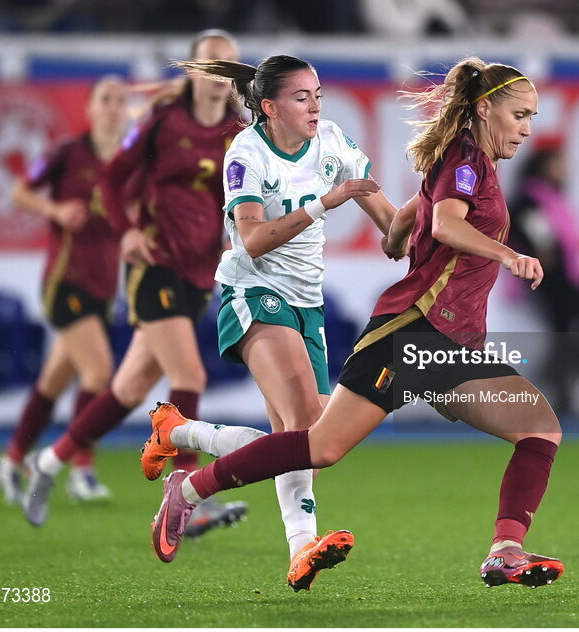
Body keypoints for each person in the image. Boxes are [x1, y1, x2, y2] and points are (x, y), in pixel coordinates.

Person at [142, 57, 566, 590]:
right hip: (408, 331)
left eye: (531, 116)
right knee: (317, 444)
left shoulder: (463, 160)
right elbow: (448, 221)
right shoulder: (464, 160)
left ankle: (506, 550)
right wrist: (507, 256)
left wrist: (397, 232)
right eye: (520, 114)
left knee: (539, 427)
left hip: (450, 344)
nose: (528, 127)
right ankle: (190, 491)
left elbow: (419, 209)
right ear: (485, 109)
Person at [140, 53, 404, 591]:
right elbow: (255, 241)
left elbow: (392, 229)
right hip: (253, 290)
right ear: (269, 106)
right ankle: (274, 530)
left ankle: (180, 432)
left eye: (318, 95)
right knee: (311, 421)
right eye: (301, 97)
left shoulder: (333, 142)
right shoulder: (247, 153)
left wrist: (430, 227)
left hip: (308, 303)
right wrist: (323, 204)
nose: (315, 107)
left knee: (299, 434)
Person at [22, 30, 247, 536]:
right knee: (189, 377)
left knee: (127, 391)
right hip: (155, 265)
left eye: (230, 65)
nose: (221, 74)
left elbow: (232, 197)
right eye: (212, 63)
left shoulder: (238, 131)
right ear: (192, 70)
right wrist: (125, 233)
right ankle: (187, 495)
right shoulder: (163, 122)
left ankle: (49, 463)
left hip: (197, 272)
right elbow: (109, 179)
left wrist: (233, 236)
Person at [0, 76, 128, 506]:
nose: (113, 107)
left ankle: (10, 462)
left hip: (104, 286)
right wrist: (55, 209)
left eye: (121, 100)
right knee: (100, 373)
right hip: (65, 281)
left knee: (53, 381)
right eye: (105, 99)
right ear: (89, 108)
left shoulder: (130, 162)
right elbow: (18, 191)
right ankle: (81, 471)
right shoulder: (68, 153)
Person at [508, 142, 579, 416]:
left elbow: (568, 245)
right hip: (547, 279)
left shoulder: (553, 198)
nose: (564, 171)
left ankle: (561, 375)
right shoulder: (529, 200)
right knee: (575, 324)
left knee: (576, 325)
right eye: (558, 164)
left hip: (564, 278)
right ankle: (562, 379)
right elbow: (541, 241)